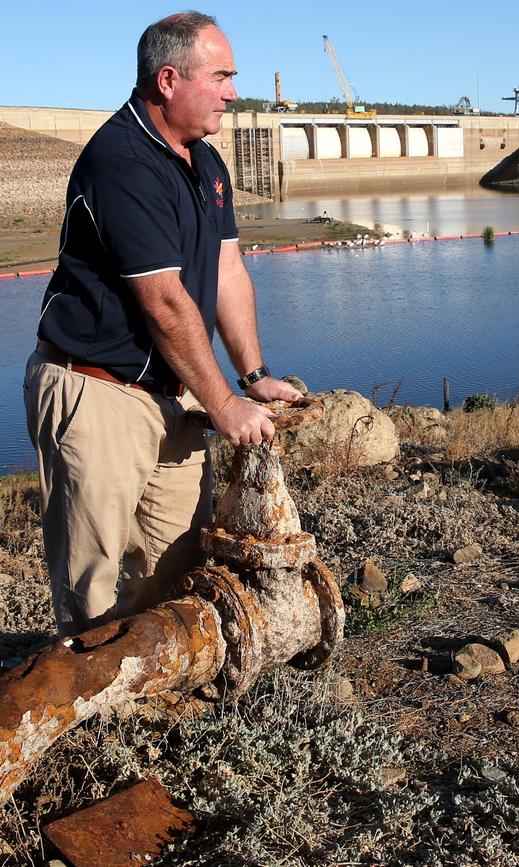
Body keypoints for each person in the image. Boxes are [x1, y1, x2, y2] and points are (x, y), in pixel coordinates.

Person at [23, 11, 301, 637]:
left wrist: (251, 375)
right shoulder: (122, 161)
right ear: (170, 79)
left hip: (170, 393)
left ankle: (163, 694)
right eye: (222, 76)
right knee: (93, 585)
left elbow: (227, 270)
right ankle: (98, 719)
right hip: (96, 392)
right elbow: (163, 301)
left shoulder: (205, 163)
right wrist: (224, 405)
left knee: (179, 567)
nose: (234, 92)